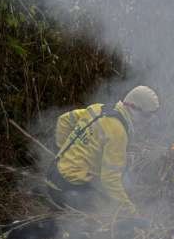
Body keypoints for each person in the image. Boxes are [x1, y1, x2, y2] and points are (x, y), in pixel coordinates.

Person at [48, 85, 160, 214]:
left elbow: (64, 120)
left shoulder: (98, 108)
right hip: (69, 191)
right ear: (133, 108)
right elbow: (109, 179)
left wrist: (63, 152)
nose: (147, 121)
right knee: (107, 214)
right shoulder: (118, 133)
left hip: (53, 175)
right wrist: (130, 210)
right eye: (147, 116)